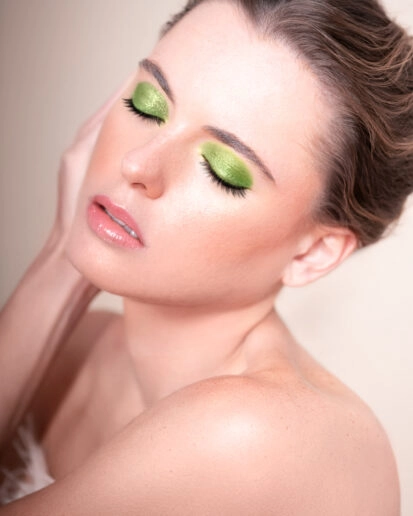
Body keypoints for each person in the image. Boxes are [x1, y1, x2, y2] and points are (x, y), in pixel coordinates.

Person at [0, 0, 412, 513]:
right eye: (148, 105)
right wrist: (62, 264)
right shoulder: (78, 349)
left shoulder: (256, 432)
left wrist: (60, 267)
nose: (137, 165)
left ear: (313, 252)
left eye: (221, 169)